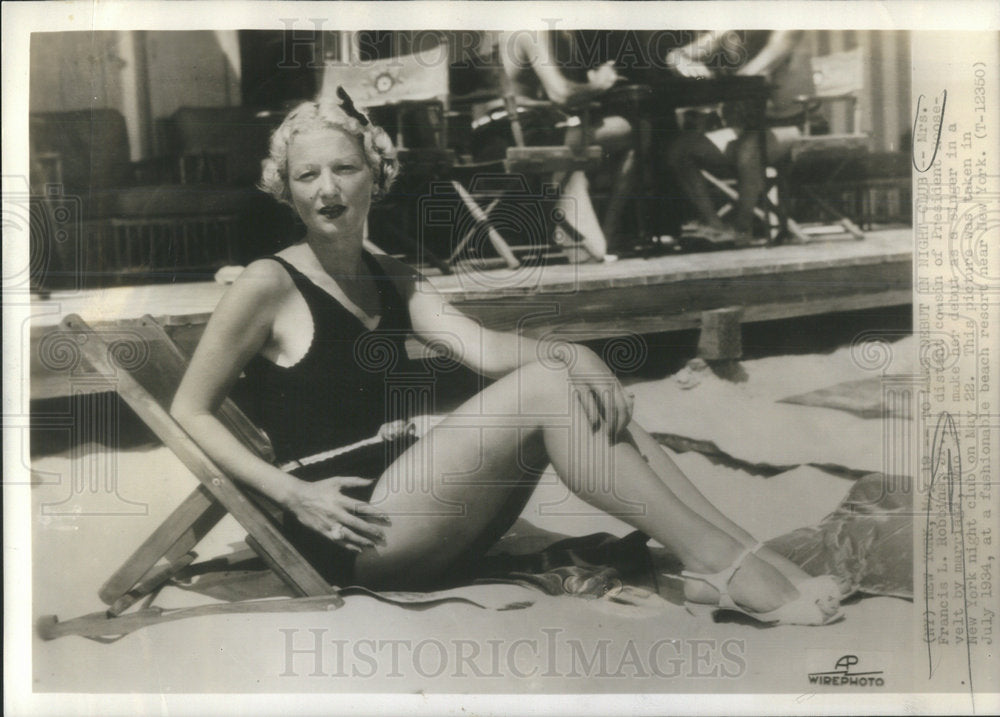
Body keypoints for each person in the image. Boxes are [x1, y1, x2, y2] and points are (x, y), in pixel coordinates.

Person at [170, 92, 845, 625]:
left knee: (586, 388)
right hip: (353, 531)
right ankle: (729, 567)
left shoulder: (389, 274)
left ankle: (737, 551)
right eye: (306, 175)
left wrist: (582, 355)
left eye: (344, 168)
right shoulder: (268, 282)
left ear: (376, 176)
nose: (327, 189)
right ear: (285, 189)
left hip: (413, 511)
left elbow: (486, 349)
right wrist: (292, 493)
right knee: (553, 384)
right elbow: (188, 408)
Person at [471, 30, 633, 261]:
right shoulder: (530, 29)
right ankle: (598, 237)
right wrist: (600, 83)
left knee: (577, 140)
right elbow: (561, 93)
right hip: (515, 135)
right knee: (624, 130)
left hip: (487, 136)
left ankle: (582, 234)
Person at [664, 30, 809, 245]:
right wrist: (689, 68)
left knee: (748, 149)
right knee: (679, 152)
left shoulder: (786, 27)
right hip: (746, 130)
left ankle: (742, 228)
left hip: (790, 126)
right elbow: (675, 57)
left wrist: (712, 81)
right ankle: (716, 225)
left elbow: (754, 74)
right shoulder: (730, 28)